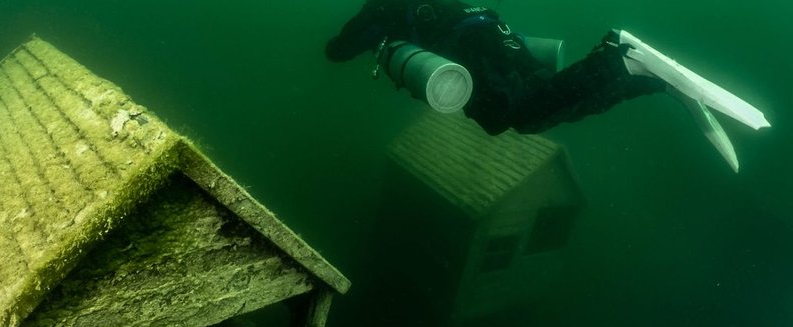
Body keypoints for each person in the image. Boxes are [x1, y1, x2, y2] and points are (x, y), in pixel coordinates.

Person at [325, 0, 770, 171]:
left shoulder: (379, 10)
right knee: (549, 101)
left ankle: (619, 56)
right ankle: (646, 79)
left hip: (472, 48)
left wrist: (370, 40)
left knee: (508, 116)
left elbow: (337, 50)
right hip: (496, 34)